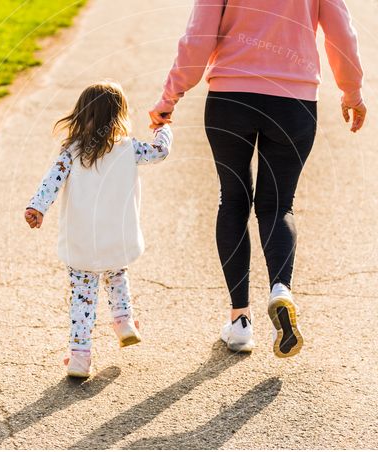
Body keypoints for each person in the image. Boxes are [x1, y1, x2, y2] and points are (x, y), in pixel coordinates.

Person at [150, 0, 366, 358]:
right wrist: (352, 91)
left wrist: (170, 95)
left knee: (233, 200)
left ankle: (240, 323)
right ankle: (281, 288)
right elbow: (341, 32)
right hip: (294, 103)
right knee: (278, 205)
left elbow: (198, 36)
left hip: (230, 99)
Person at [25, 80, 173, 377]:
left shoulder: (72, 152)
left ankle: (80, 357)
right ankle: (124, 322)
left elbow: (50, 181)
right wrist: (163, 127)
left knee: (83, 296)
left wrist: (37, 207)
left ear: (81, 115)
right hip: (115, 238)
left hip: (81, 241)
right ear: (119, 117)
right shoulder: (129, 149)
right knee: (117, 276)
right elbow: (160, 151)